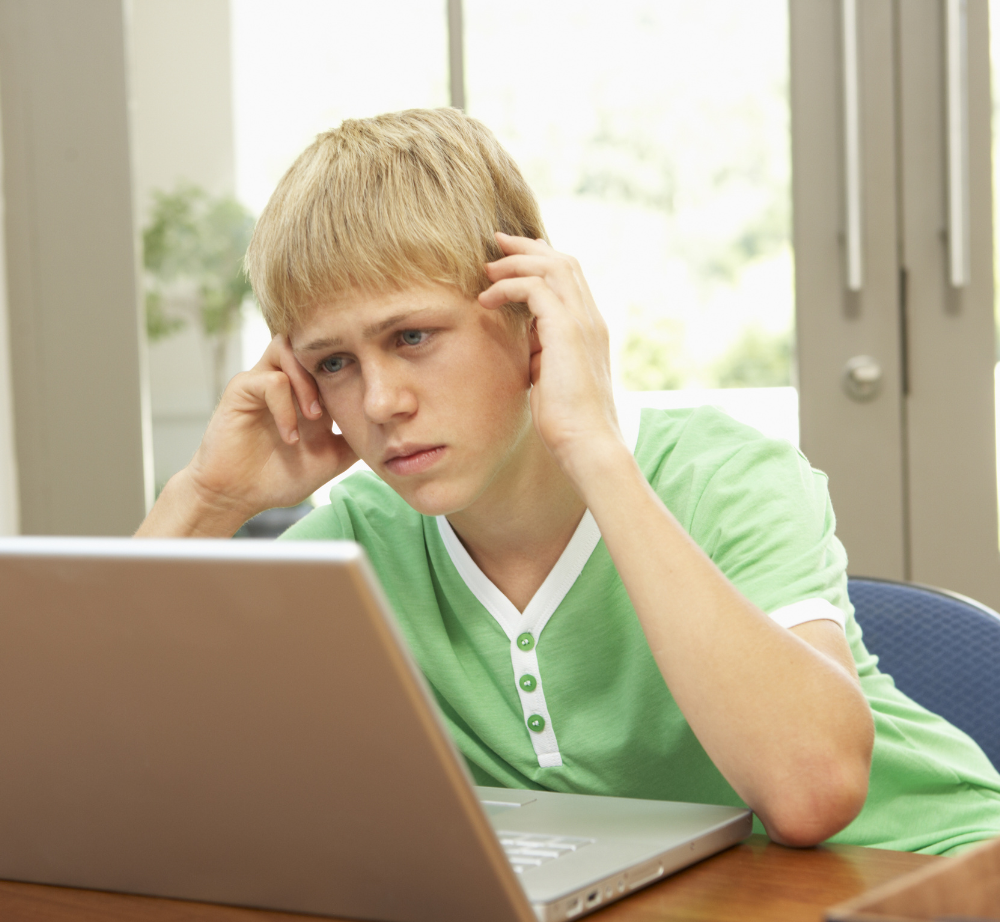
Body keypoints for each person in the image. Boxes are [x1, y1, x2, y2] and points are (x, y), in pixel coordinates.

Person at [138, 107, 1000, 854]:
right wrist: (209, 502)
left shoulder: (728, 477)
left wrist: (591, 443)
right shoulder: (360, 538)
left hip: (926, 880)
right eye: (333, 362)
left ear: (528, 312)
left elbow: (810, 795)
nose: (381, 400)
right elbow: (69, 753)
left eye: (412, 337)